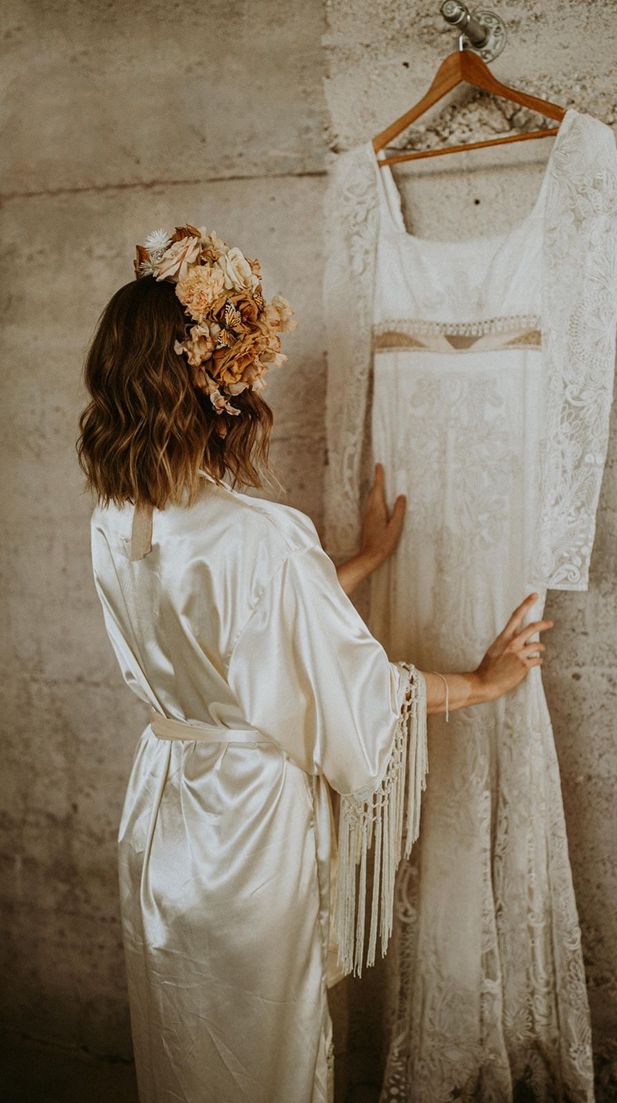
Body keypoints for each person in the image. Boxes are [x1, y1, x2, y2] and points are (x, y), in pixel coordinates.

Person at [77, 224, 553, 1103]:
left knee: (183, 1048)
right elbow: (354, 694)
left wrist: (359, 564)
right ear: (220, 388)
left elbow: (228, 619)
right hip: (243, 835)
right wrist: (482, 682)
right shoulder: (264, 536)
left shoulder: (115, 516)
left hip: (159, 817)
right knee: (262, 1061)